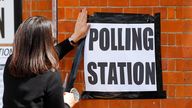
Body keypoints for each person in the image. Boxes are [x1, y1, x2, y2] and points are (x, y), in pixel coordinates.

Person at [3, 8, 89, 108]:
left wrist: (72, 39)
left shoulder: (11, 62)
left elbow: (40, 56)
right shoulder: (51, 76)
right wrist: (68, 103)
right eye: (52, 41)